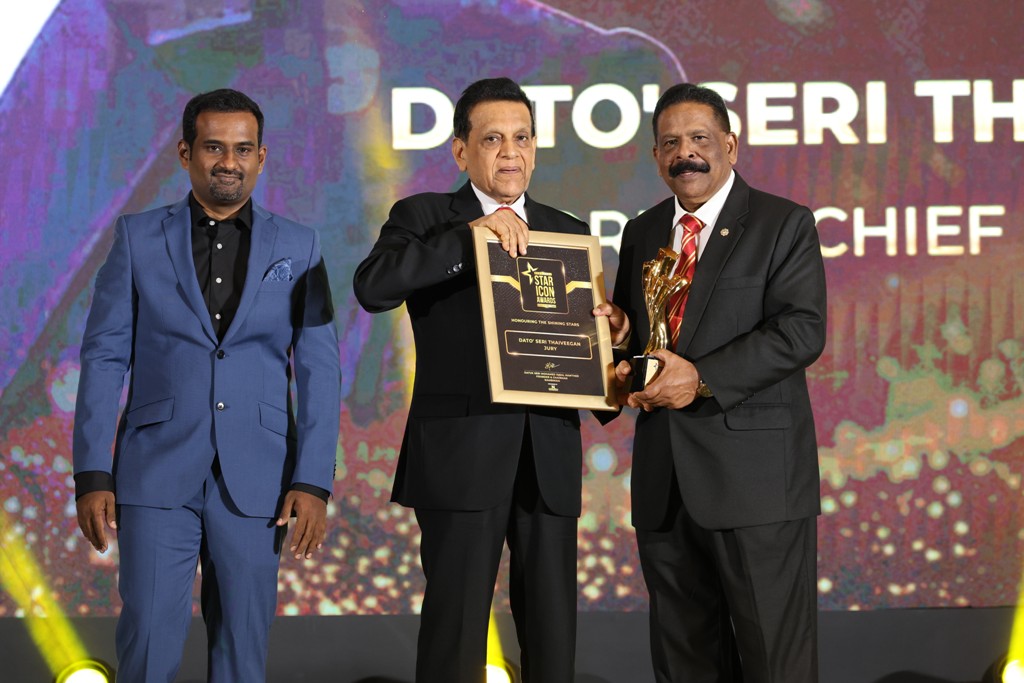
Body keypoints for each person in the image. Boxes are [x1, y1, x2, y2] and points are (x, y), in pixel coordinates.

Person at [72, 89, 341, 682]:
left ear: (261, 157)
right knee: (146, 640)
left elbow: (320, 371)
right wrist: (91, 473)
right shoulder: (137, 237)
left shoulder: (300, 247)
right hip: (154, 471)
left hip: (260, 478)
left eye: (243, 149)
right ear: (185, 152)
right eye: (214, 147)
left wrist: (313, 481)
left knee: (243, 651)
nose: (229, 162)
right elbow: (104, 356)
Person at [354, 77, 588, 683]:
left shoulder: (566, 228)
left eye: (522, 138)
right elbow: (373, 287)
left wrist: (608, 337)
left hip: (548, 458)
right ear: (461, 151)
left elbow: (580, 349)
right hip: (461, 454)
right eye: (493, 139)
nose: (511, 153)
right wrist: (469, 237)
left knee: (553, 637)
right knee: (456, 634)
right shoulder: (427, 217)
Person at [600, 83, 827, 682]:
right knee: (685, 666)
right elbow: (644, 343)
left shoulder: (783, 223)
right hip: (666, 485)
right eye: (671, 142)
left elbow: (801, 331)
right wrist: (619, 342)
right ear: (656, 156)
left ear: (730, 145)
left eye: (699, 138)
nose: (686, 153)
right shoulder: (642, 231)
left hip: (756, 486)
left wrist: (700, 379)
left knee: (775, 664)